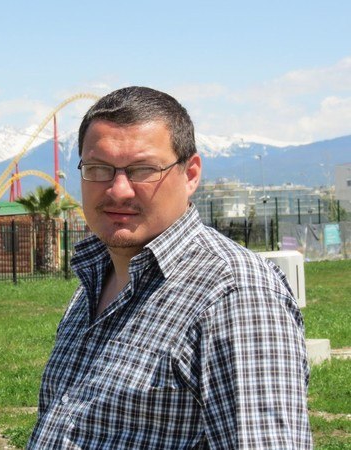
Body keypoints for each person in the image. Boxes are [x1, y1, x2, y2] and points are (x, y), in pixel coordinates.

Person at [27, 86, 311, 449]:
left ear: (190, 174)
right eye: (98, 169)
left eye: (143, 170)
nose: (118, 190)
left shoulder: (235, 296)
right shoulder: (95, 279)